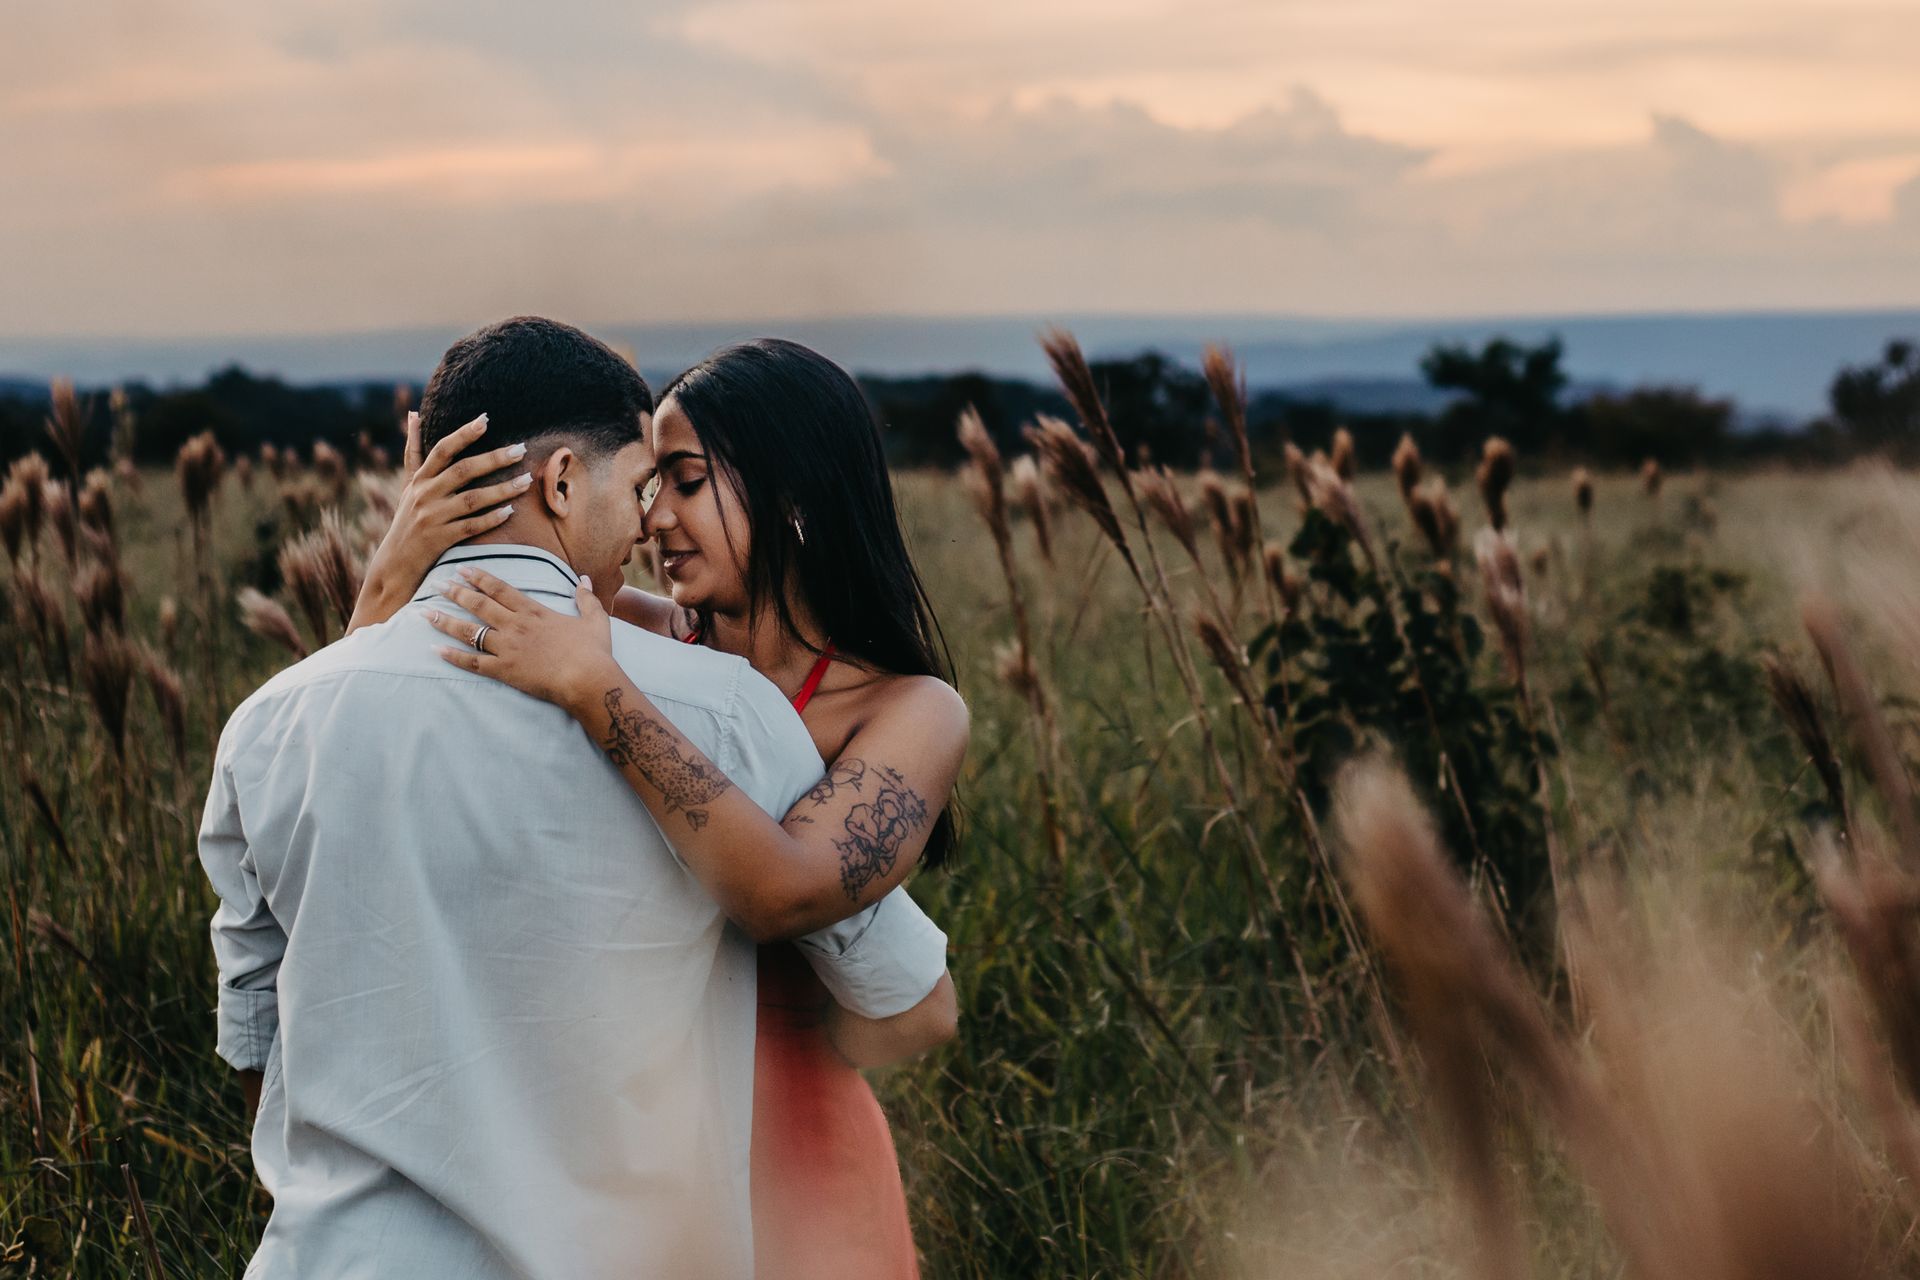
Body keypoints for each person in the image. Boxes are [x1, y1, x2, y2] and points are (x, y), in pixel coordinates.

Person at [198, 317, 952, 1280]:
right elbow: (906, 1002)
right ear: (560, 483)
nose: (651, 522)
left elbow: (265, 1047)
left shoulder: (269, 726)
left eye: (682, 485)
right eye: (646, 484)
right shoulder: (722, 712)